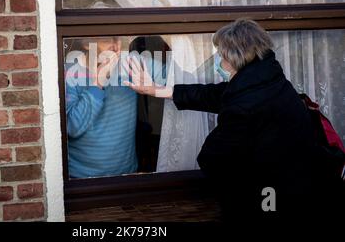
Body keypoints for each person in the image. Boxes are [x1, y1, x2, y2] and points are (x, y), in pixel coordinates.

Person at [125, 19, 344, 225]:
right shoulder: (270, 79)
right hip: (305, 189)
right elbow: (217, 95)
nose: (218, 63)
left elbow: (213, 158)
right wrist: (158, 90)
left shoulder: (242, 106)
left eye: (222, 57)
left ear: (237, 59)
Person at [65, 37, 165, 178]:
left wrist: (172, 38)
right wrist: (98, 82)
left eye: (118, 39)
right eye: (106, 40)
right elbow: (72, 128)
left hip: (127, 174)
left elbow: (177, 77)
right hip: (82, 178)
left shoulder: (131, 63)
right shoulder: (69, 73)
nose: (115, 46)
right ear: (87, 43)